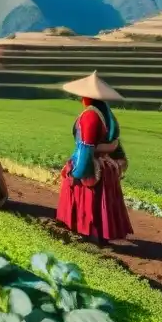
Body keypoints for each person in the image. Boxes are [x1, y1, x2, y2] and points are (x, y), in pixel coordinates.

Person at [56, 71, 133, 246]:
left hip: (93, 165)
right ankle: (102, 235)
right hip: (107, 166)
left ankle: (89, 234)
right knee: (104, 203)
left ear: (86, 97)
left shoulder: (89, 116)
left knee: (89, 201)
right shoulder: (107, 114)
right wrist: (119, 161)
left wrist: (78, 172)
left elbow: (86, 147)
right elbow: (114, 143)